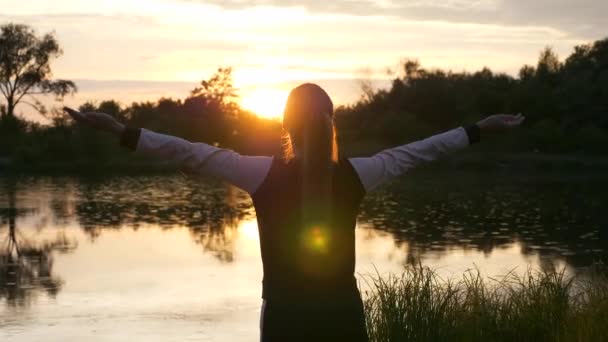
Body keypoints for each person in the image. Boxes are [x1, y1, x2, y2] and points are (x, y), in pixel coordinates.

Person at [64, 83, 524, 341]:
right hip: (342, 317)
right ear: (332, 122)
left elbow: (189, 151)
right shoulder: (357, 173)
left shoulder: (260, 173)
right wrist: (478, 130)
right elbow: (418, 151)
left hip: (285, 318)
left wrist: (120, 129)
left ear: (284, 125)